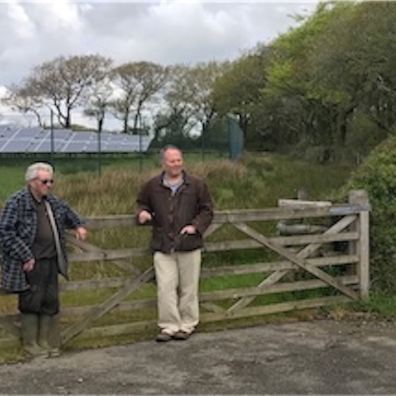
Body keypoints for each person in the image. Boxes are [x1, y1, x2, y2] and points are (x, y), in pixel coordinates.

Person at [0, 162, 87, 357]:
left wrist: (78, 225)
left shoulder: (51, 202)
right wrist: (25, 254)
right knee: (31, 300)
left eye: (51, 181)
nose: (49, 185)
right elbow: (5, 232)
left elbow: (68, 213)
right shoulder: (17, 202)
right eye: (45, 181)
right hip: (30, 262)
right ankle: (30, 344)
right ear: (32, 182)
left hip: (51, 260)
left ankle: (44, 341)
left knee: (49, 300)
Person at [137, 145, 213, 342]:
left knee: (189, 287)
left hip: (189, 244)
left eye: (179, 160)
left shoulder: (196, 185)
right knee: (165, 287)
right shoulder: (152, 185)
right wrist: (142, 213)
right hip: (163, 244)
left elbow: (207, 210)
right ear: (163, 163)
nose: (176, 164)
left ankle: (187, 325)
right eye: (172, 161)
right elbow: (141, 203)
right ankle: (169, 326)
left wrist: (195, 226)